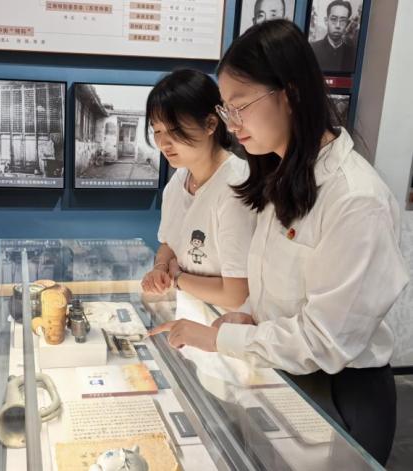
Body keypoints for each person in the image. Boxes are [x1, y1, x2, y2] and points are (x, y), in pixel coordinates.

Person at [149, 20, 407, 465]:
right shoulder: (282, 177)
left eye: (239, 106)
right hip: (287, 376)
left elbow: (324, 340)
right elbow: (277, 285)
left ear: (290, 94)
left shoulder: (356, 199)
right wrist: (248, 314)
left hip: (341, 393)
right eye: (227, 110)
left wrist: (220, 338)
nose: (233, 124)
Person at [140, 69, 256, 319]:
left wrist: (177, 277)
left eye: (174, 129)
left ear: (211, 124)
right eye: (157, 130)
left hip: (229, 330)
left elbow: (236, 294)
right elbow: (169, 244)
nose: (163, 143)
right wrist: (160, 268)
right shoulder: (178, 182)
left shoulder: (236, 187)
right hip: (190, 321)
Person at [310, 0, 357, 73]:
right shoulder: (312, 49)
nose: (338, 25)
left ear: (347, 23)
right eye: (334, 19)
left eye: (343, 20)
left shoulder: (353, 53)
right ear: (326, 21)